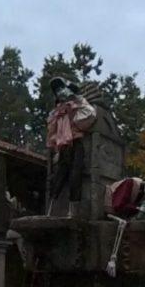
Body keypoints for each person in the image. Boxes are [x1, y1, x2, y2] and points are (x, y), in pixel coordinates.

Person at [46, 77, 96, 217]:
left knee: (76, 175)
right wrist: (55, 145)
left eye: (61, 88)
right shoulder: (56, 112)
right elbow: (52, 132)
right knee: (59, 177)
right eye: (57, 90)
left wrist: (73, 110)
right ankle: (50, 210)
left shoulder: (78, 103)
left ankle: (73, 212)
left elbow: (90, 115)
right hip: (63, 147)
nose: (60, 92)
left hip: (76, 143)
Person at [104, 173, 145, 277]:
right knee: (123, 224)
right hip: (112, 209)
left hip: (123, 215)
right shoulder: (131, 183)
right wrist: (137, 208)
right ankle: (112, 259)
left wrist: (139, 210)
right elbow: (118, 205)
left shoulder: (143, 194)